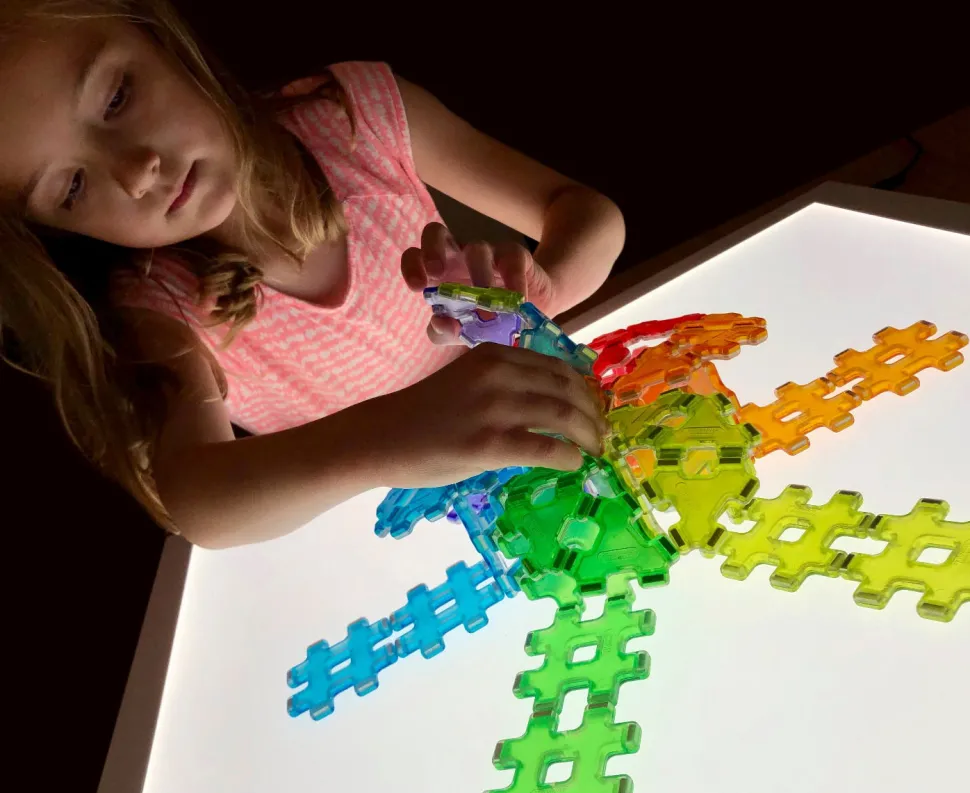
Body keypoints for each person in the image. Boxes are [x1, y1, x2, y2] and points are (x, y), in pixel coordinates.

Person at [0, 0, 625, 549]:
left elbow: (586, 214)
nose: (137, 172)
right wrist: (394, 438)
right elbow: (200, 504)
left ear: (159, 37)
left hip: (543, 431)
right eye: (72, 187)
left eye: (116, 97)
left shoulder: (358, 117)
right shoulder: (158, 304)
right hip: (398, 532)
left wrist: (547, 294)